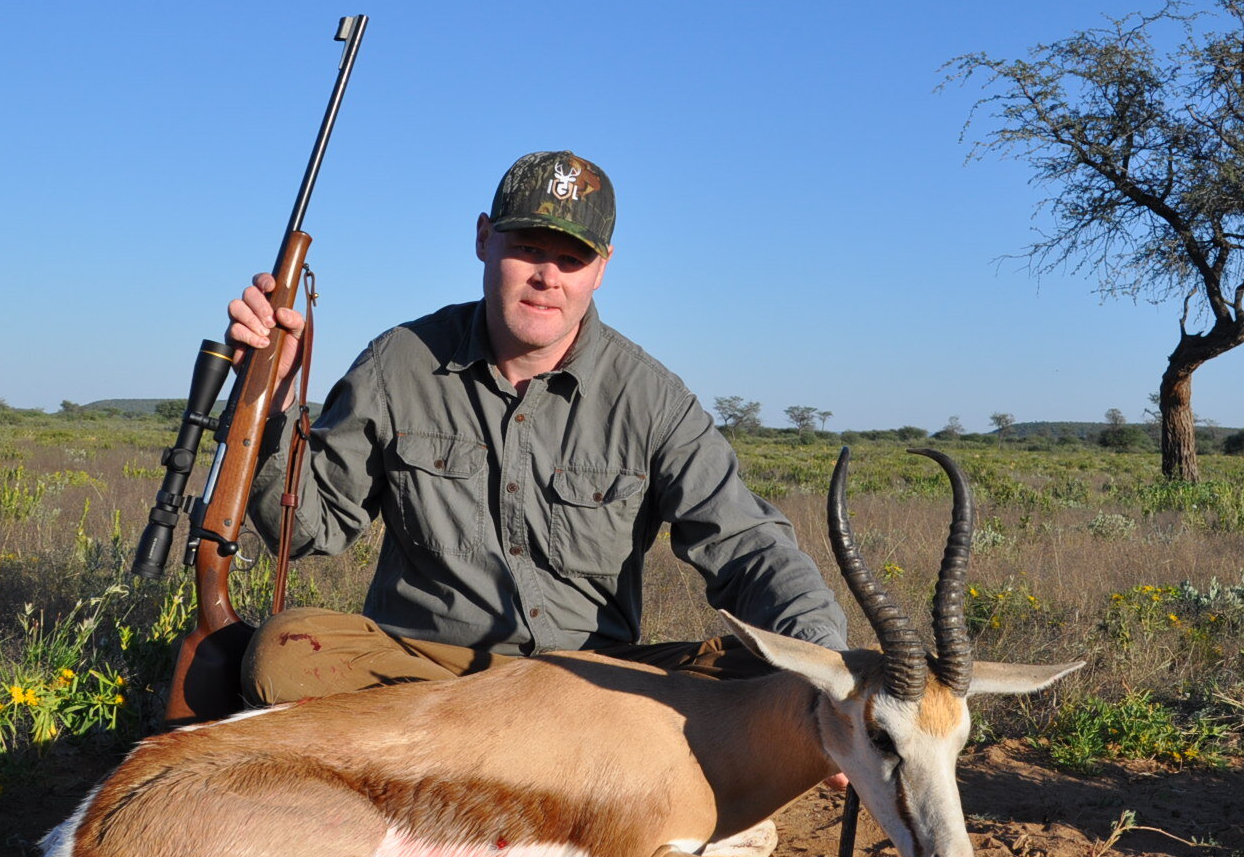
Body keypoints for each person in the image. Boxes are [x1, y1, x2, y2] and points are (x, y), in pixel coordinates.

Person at [219, 150, 849, 705]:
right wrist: (268, 404)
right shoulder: (398, 362)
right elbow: (304, 532)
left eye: (571, 258)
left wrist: (831, 667)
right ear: (484, 239)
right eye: (528, 248)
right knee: (282, 654)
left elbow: (751, 548)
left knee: (764, 679)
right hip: (429, 680)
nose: (548, 276)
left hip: (589, 686)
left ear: (600, 268)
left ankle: (483, 777)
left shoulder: (652, 398)